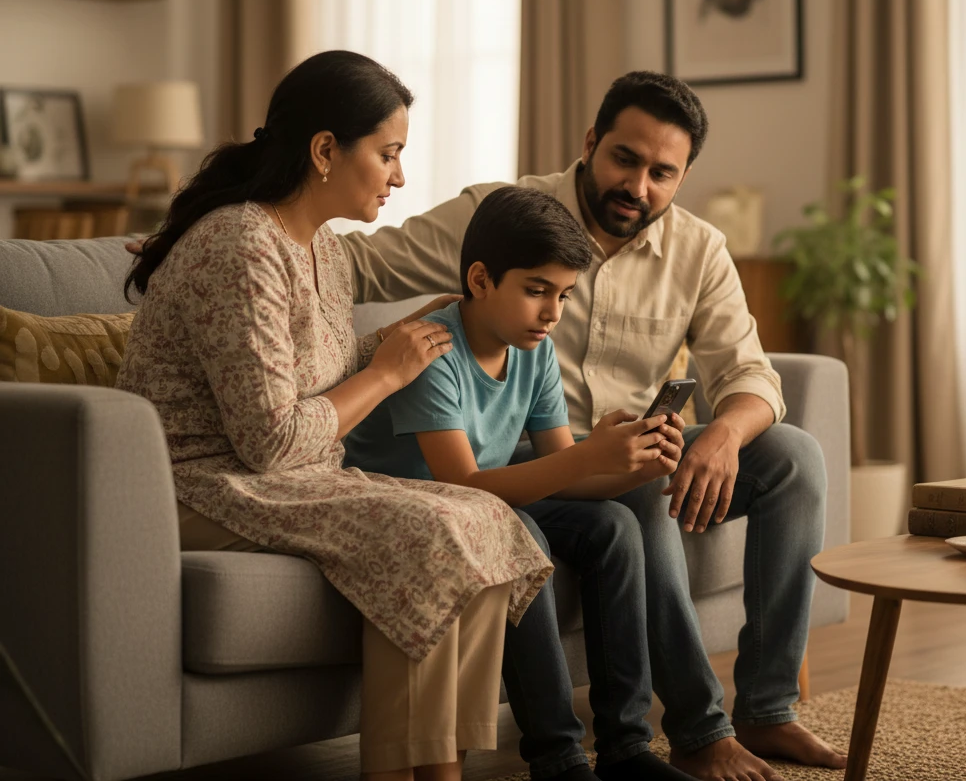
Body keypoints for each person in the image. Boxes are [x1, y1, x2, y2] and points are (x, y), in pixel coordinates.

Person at [334, 71, 848, 781]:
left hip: (610, 442)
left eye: (662, 173)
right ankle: (697, 730)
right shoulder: (502, 214)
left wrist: (724, 437)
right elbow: (354, 264)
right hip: (512, 448)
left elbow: (751, 377)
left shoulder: (698, 250)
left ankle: (767, 707)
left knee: (793, 457)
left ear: (683, 177)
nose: (638, 185)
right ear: (590, 144)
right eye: (624, 159)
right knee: (639, 494)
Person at [115, 50, 553, 781]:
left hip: (291, 480)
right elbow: (270, 440)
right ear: (325, 151)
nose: (399, 176)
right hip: (200, 485)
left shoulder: (325, 249)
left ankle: (444, 767)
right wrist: (385, 374)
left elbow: (316, 373)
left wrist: (400, 340)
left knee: (478, 514)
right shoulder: (239, 243)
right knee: (429, 530)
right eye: (389, 153)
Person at [345, 185, 701, 781]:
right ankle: (558, 758)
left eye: (563, 295)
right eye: (537, 291)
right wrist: (589, 458)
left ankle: (626, 746)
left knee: (615, 525)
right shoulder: (433, 353)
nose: (553, 312)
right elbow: (463, 483)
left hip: (484, 499)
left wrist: (633, 463)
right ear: (480, 279)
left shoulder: (534, 351)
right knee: (523, 534)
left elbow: (562, 466)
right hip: (425, 507)